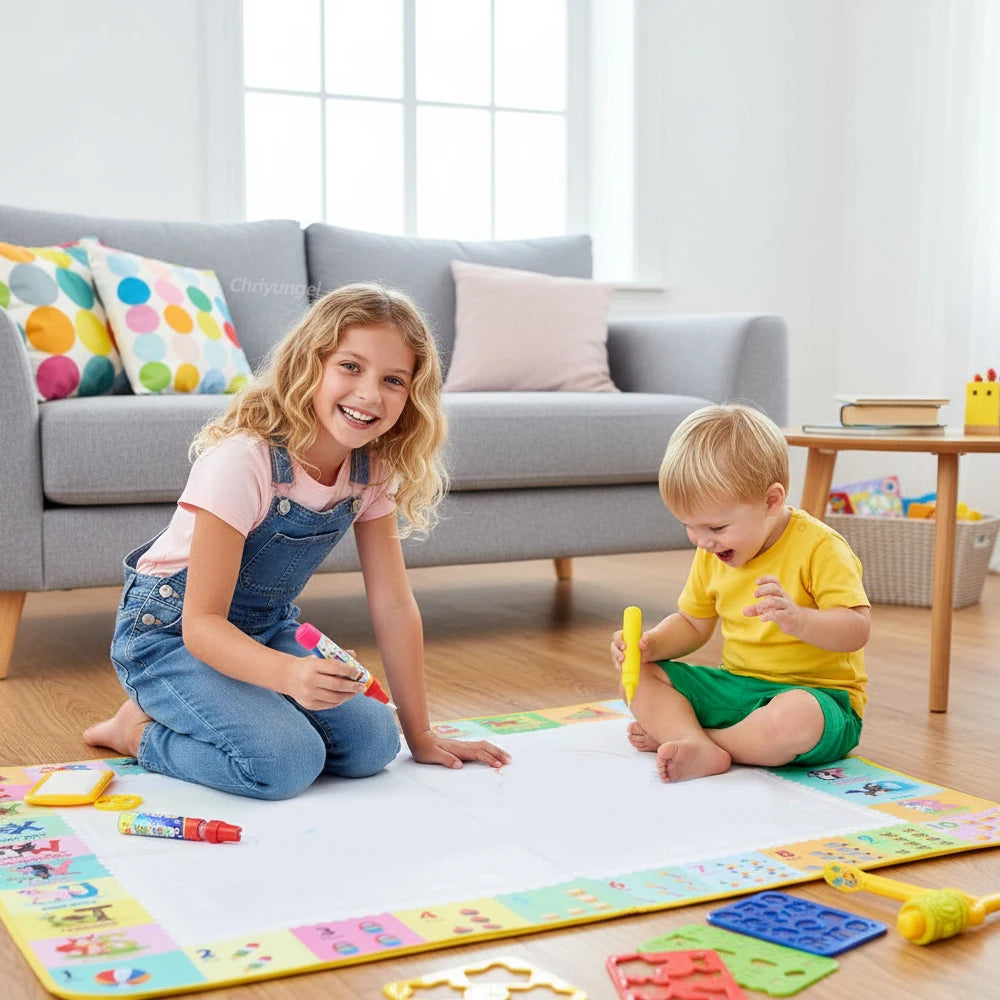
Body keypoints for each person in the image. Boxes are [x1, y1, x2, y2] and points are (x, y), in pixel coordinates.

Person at [84, 283, 510, 799]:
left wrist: (419, 734)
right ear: (311, 364)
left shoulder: (372, 471)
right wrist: (289, 675)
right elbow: (201, 626)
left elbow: (394, 604)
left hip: (266, 630)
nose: (369, 394)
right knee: (284, 764)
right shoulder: (244, 461)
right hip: (172, 638)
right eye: (350, 366)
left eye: (393, 379)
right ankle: (135, 732)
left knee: (375, 744)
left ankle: (249, 702)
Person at [611, 403, 870, 783]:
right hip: (739, 689)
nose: (703, 541)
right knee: (639, 678)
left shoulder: (820, 548)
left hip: (820, 698)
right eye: (689, 526)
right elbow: (692, 624)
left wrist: (801, 620)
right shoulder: (711, 550)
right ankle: (692, 740)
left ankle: (700, 741)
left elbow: (856, 628)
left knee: (794, 717)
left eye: (716, 526)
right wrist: (649, 645)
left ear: (771, 501)